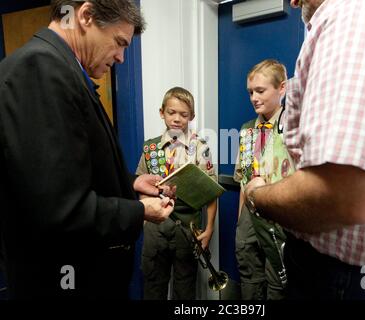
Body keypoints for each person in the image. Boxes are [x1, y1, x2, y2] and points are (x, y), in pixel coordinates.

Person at [244, 0, 365, 300]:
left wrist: (258, 196)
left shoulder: (360, 17)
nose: (293, 2)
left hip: (357, 277)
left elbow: (343, 196)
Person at [0, 0, 174, 299]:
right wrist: (139, 211)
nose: (121, 57)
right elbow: (61, 211)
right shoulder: (41, 69)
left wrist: (130, 185)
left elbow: (65, 174)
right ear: (86, 15)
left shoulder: (64, 69)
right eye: (119, 43)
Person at [136, 86, 218, 300]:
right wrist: (145, 218)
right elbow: (139, 184)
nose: (177, 119)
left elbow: (212, 193)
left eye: (183, 114)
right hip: (155, 225)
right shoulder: (150, 148)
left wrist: (209, 229)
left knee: (185, 288)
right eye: (171, 112)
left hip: (186, 227)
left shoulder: (200, 148)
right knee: (153, 285)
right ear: (162, 112)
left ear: (192, 116)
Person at [234, 60, 294, 300]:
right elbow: (244, 181)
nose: (254, 98)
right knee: (249, 280)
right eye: (250, 92)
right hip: (249, 217)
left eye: (260, 90)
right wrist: (241, 223)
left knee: (277, 283)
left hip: (280, 216)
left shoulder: (294, 126)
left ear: (282, 88)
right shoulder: (247, 131)